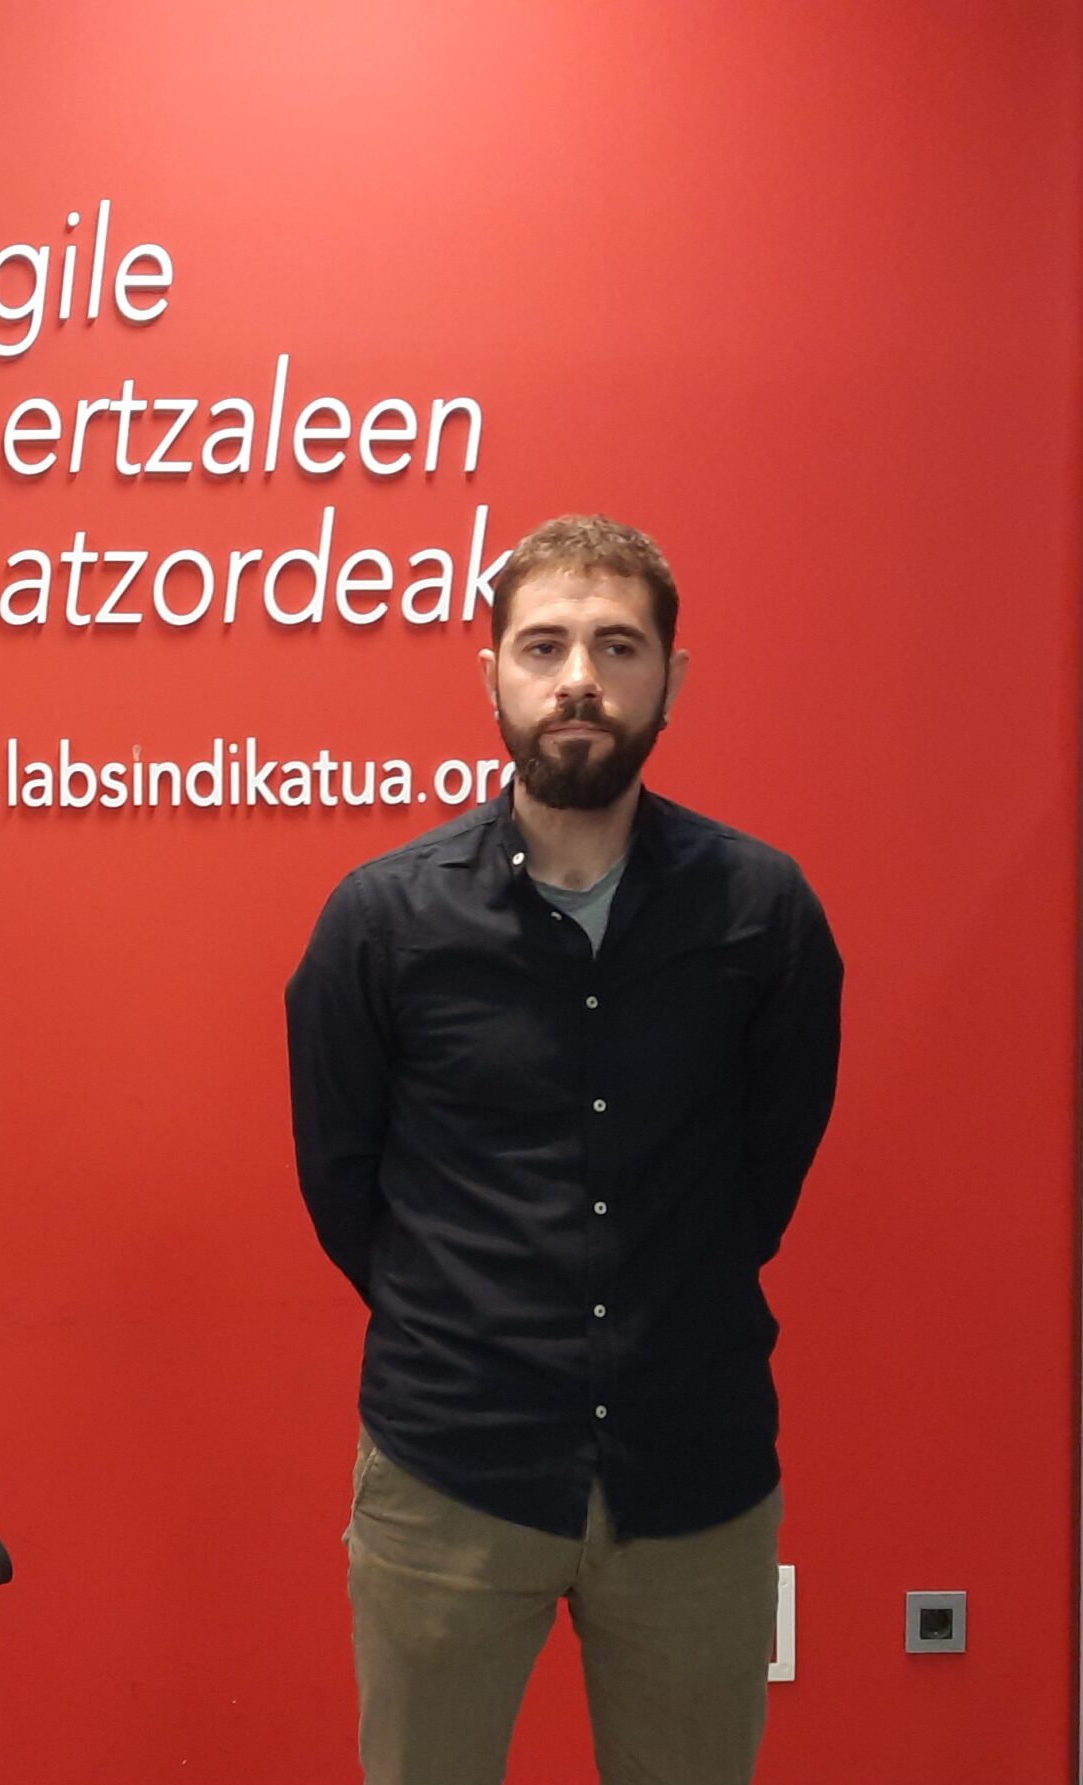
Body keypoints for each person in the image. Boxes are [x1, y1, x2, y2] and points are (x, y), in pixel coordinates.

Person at [285, 515, 842, 1785]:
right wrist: (465, 1313)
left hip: (692, 1473)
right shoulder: (382, 922)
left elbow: (768, 1171)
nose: (578, 678)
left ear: (670, 679)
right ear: (489, 673)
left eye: (616, 646)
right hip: (449, 1467)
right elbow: (340, 1181)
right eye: (543, 646)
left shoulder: (761, 915)